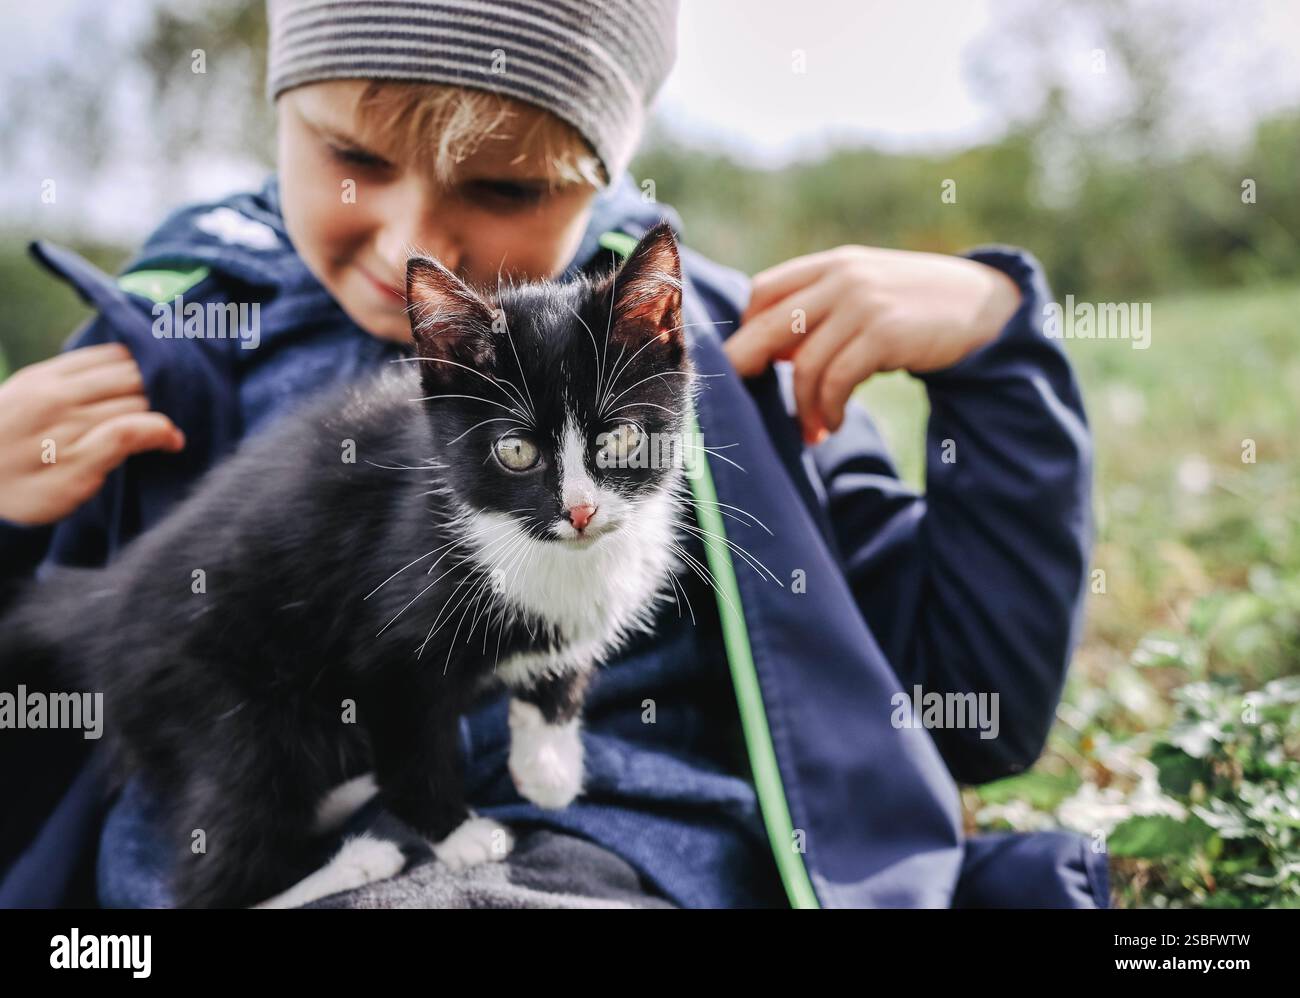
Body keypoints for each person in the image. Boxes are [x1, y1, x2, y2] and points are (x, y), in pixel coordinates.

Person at [0, 0, 1107, 908]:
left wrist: (992, 352)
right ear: (281, 103)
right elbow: (54, 675)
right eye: (351, 158)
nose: (411, 245)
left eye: (504, 186)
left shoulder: (718, 343)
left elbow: (971, 703)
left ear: (606, 164)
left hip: (610, 860)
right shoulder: (166, 337)